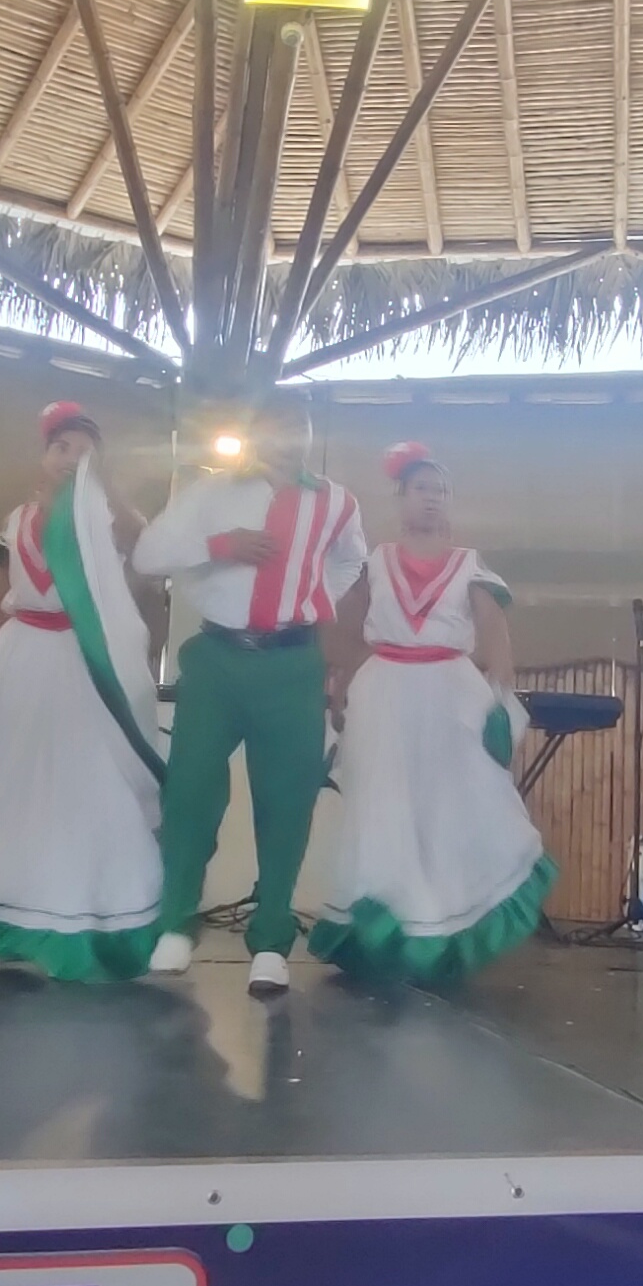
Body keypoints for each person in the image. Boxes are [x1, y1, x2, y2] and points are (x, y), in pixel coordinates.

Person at [0, 403, 165, 979]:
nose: (70, 458)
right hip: (24, 660)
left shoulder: (107, 517)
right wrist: (6, 640)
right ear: (43, 456)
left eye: (84, 450)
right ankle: (9, 921)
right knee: (13, 788)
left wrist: (105, 487)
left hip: (83, 659)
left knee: (87, 788)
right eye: (61, 447)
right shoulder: (17, 518)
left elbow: (145, 556)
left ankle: (91, 921)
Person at [129, 395, 369, 995]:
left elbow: (349, 561)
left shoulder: (337, 501)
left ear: (309, 433)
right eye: (274, 423)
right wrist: (220, 546)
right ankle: (176, 922)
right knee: (189, 789)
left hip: (293, 663)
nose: (287, 434)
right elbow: (149, 554)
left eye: (298, 424)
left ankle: (270, 940)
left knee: (288, 800)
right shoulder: (212, 491)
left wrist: (311, 598)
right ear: (254, 432)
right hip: (217, 657)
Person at [310, 443, 554, 985]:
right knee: (383, 807)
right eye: (421, 489)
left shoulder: (470, 565)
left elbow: (494, 635)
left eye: (440, 490)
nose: (431, 498)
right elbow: (346, 631)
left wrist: (500, 697)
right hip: (385, 693)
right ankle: (384, 928)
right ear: (401, 497)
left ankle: (440, 925)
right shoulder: (376, 563)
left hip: (450, 692)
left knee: (449, 806)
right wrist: (339, 687)